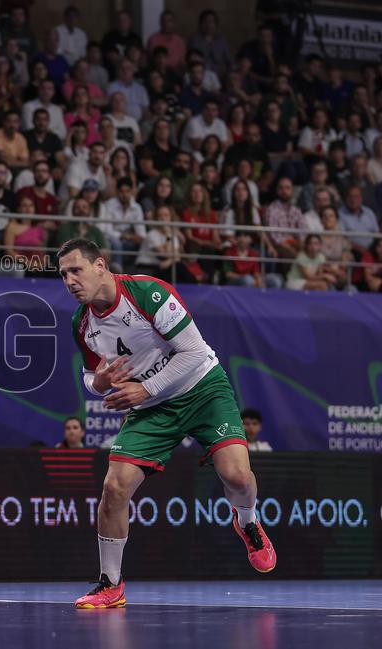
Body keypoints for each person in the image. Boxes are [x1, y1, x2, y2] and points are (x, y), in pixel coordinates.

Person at [58, 237, 276, 610]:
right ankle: (110, 584)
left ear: (100, 266)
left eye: (76, 270)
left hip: (202, 388)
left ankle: (248, 522)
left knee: (237, 476)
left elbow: (192, 352)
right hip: (154, 407)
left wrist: (144, 389)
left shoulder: (149, 294)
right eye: (63, 275)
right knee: (114, 488)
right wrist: (100, 384)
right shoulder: (82, 323)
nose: (70, 281)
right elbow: (89, 378)